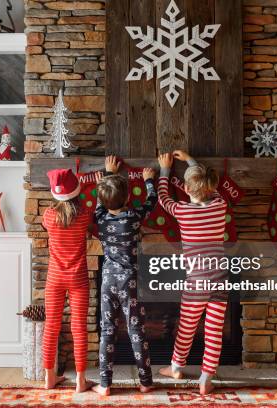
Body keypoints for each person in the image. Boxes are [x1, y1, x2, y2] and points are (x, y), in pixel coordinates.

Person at [156, 151, 228, 395]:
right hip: (219, 280)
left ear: (186, 188)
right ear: (210, 186)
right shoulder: (220, 205)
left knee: (187, 324)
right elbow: (210, 187)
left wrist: (165, 170)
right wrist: (191, 161)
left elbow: (163, 197)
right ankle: (206, 377)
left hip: (196, 282)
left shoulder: (182, 212)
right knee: (214, 330)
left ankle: (176, 366)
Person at [92, 156, 157, 396]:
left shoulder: (99, 218)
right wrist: (149, 180)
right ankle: (145, 381)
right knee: (136, 329)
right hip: (130, 280)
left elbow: (101, 202)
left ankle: (105, 384)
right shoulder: (133, 218)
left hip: (108, 278)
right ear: (128, 198)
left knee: (107, 329)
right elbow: (152, 201)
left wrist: (108, 174)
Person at [41, 168, 93, 392]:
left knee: (50, 327)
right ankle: (81, 381)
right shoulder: (84, 216)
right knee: (79, 328)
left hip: (54, 279)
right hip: (78, 279)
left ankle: (49, 378)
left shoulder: (48, 216)